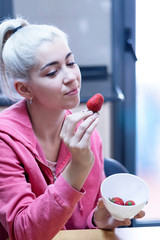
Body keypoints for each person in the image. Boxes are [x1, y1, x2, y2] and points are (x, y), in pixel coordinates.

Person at [0, 17, 145, 240]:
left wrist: (98, 220)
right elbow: (24, 232)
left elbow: (80, 225)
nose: (71, 77)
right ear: (24, 89)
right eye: (52, 72)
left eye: (70, 63)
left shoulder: (88, 136)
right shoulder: (4, 141)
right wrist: (77, 167)